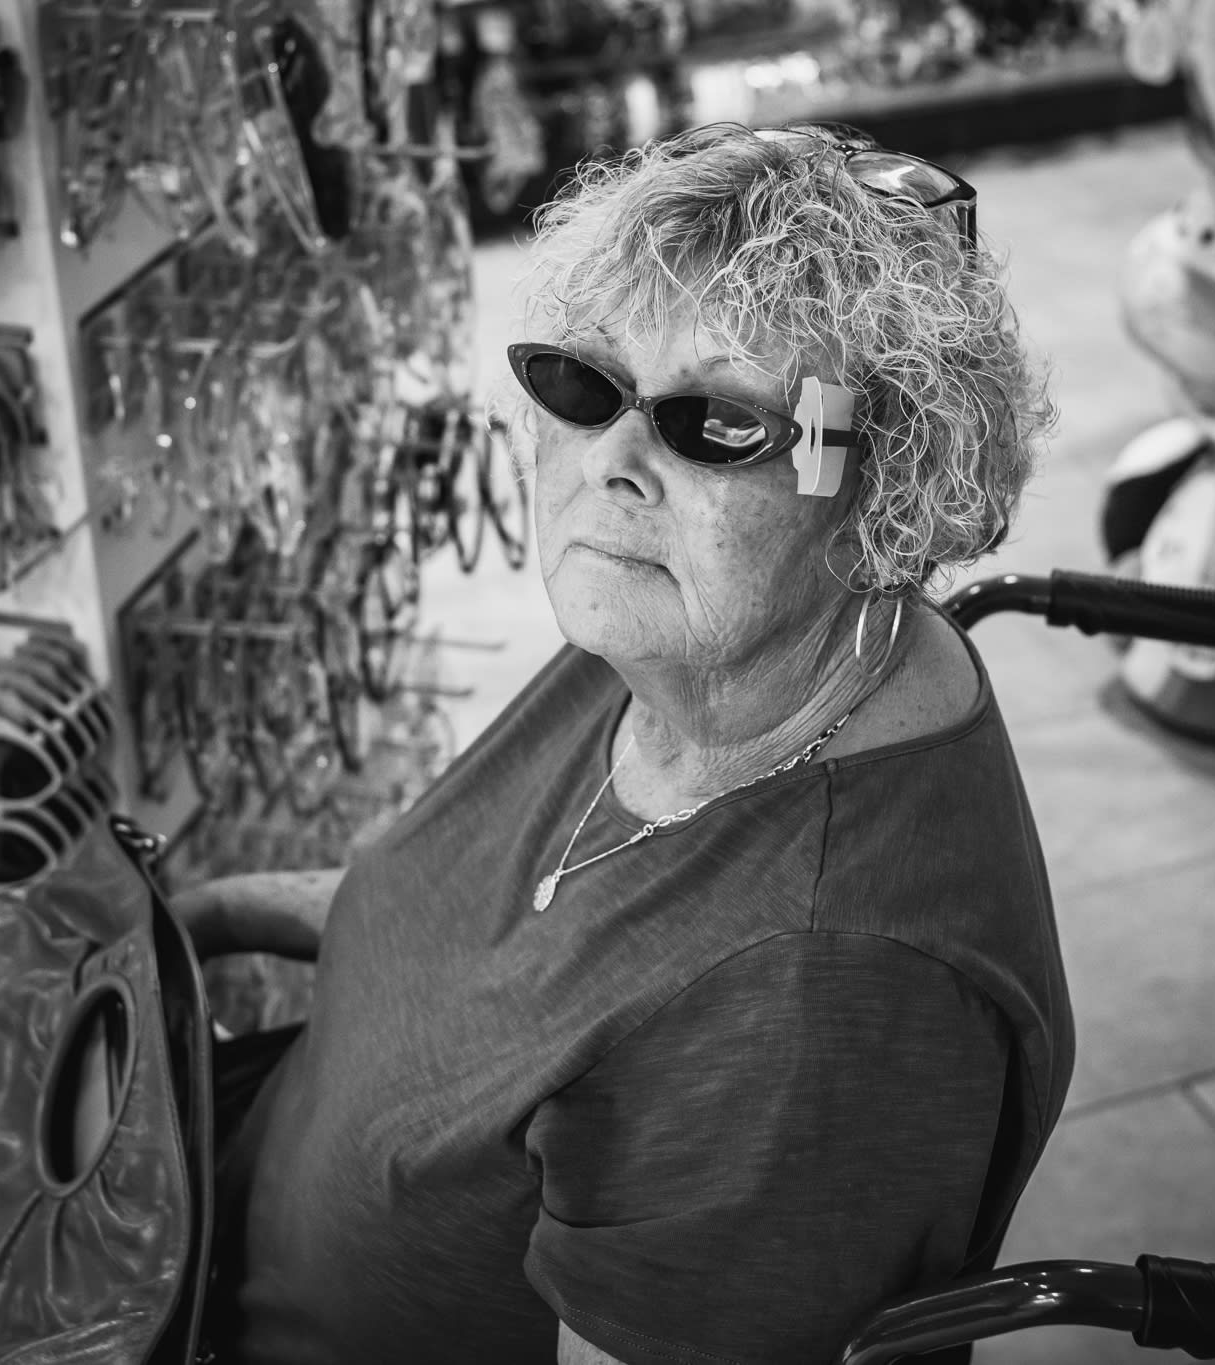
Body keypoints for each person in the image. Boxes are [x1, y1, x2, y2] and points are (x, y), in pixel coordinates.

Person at [178, 121, 1070, 1365]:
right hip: (198, 1225)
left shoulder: (817, 1000)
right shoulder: (677, 639)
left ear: (885, 487)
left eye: (715, 423)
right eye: (581, 383)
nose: (614, 463)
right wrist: (215, 912)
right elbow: (511, 944)